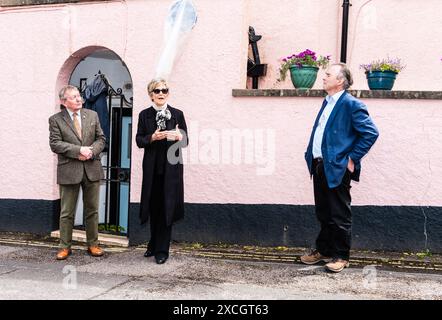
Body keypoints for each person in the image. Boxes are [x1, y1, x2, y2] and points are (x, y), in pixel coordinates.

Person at [302, 63, 379, 272]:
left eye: (328, 74)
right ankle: (324, 250)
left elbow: (371, 133)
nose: (323, 77)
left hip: (337, 167)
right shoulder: (327, 102)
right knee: (324, 212)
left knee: (339, 214)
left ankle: (341, 256)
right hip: (319, 165)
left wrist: (352, 159)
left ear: (340, 81)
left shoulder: (351, 104)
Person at [49, 85, 106, 260]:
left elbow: (101, 139)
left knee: (92, 210)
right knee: (67, 211)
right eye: (73, 97)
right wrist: (79, 150)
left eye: (79, 96)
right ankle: (64, 246)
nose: (79, 99)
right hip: (69, 170)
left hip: (91, 168)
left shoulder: (92, 115)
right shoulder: (56, 119)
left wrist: (91, 151)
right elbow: (55, 144)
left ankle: (93, 244)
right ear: (64, 101)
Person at [136, 78, 188, 264]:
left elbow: (185, 142)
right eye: (157, 91)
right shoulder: (144, 115)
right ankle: (153, 243)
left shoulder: (177, 114)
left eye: (164, 90)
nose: (161, 93)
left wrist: (179, 136)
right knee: (153, 206)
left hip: (171, 169)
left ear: (168, 93)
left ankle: (161, 250)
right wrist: (152, 137)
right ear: (151, 95)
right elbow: (139, 140)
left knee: (167, 207)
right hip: (152, 169)